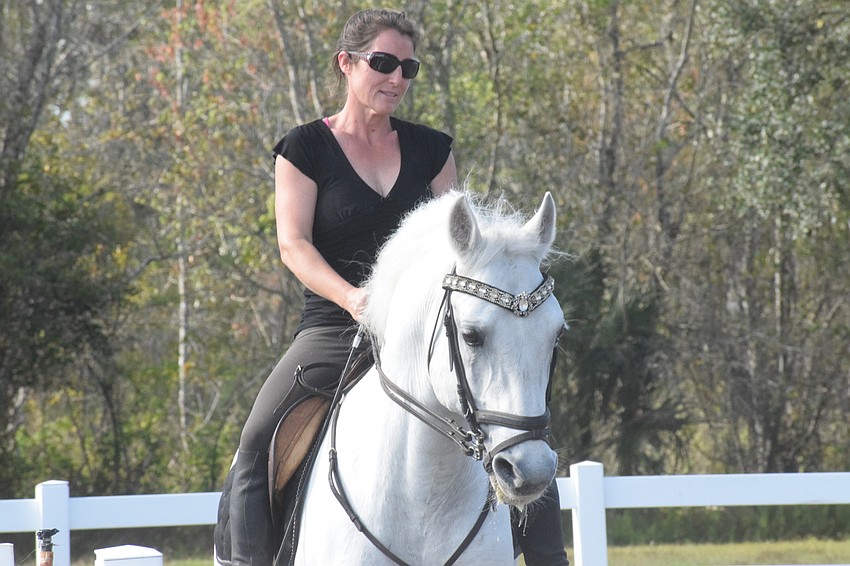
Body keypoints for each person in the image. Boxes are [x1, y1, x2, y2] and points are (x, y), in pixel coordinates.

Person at [227, 8, 568, 566]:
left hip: (426, 328)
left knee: (519, 427)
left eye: (408, 68)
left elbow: (463, 248)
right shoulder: (303, 149)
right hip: (338, 324)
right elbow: (294, 247)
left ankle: (549, 558)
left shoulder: (433, 150)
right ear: (346, 63)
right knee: (257, 441)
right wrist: (353, 298)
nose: (396, 78)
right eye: (383, 63)